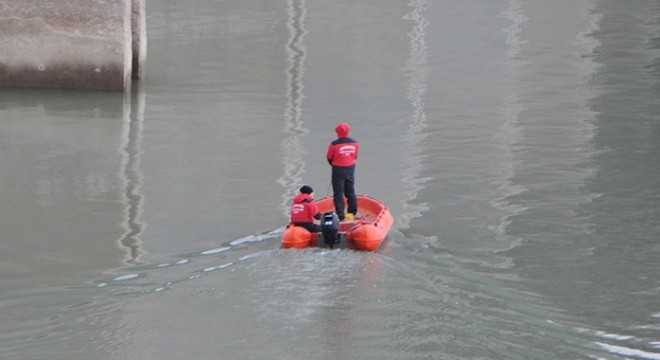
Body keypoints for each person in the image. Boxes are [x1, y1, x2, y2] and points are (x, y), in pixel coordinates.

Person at [326, 122, 359, 221]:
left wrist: (335, 164)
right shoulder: (355, 143)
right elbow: (355, 156)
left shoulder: (334, 144)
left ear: (337, 132)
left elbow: (329, 157)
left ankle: (340, 215)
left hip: (338, 170)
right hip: (350, 169)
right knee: (350, 191)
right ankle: (352, 212)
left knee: (338, 193)